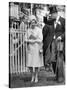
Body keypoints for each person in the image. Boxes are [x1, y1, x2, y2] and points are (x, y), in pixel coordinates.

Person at [25, 15, 43, 83]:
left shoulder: (39, 30)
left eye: (34, 22)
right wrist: (30, 41)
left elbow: (40, 39)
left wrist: (34, 40)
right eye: (32, 22)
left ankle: (36, 76)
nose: (33, 23)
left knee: (36, 64)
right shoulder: (28, 30)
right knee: (30, 64)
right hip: (30, 48)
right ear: (30, 23)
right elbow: (25, 39)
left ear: (36, 22)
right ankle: (32, 75)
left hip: (36, 48)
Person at [50, 6, 65, 82]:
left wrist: (61, 37)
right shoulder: (53, 21)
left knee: (59, 59)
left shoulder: (63, 20)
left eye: (52, 14)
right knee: (53, 59)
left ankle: (60, 77)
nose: (51, 16)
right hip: (53, 42)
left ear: (55, 13)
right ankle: (56, 74)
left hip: (60, 42)